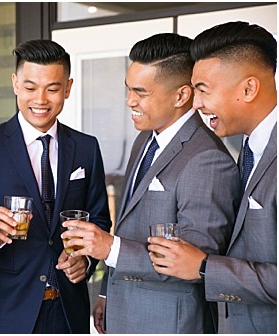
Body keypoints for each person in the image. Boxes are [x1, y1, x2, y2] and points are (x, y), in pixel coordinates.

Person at [62, 33, 238, 334]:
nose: (130, 101)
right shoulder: (144, 139)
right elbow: (128, 226)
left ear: (182, 96)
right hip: (123, 310)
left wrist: (109, 248)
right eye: (128, 89)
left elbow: (195, 263)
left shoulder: (208, 158)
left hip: (168, 323)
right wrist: (106, 292)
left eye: (141, 92)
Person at [0, 39, 111, 333]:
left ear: (68, 88)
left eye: (52, 88)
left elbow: (99, 217)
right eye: (30, 87)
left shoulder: (87, 148)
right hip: (5, 313)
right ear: (14, 84)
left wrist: (85, 260)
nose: (40, 99)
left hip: (67, 313)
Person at [148, 21, 277, 334]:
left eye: (203, 90)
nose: (196, 103)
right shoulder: (247, 148)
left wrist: (205, 267)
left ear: (248, 88)